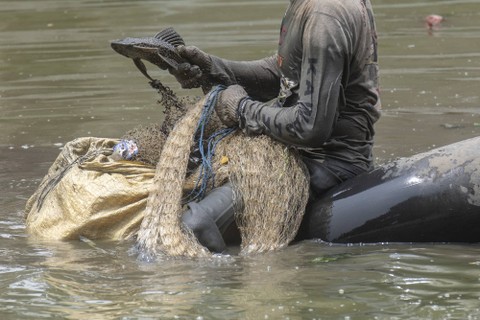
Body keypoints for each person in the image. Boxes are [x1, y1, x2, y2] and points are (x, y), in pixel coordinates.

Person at [172, 0, 381, 252]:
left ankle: (237, 285)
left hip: (325, 164)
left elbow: (310, 127)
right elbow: (286, 74)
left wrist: (242, 109)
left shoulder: (325, 13)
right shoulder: (307, 6)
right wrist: (214, 68)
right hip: (297, 153)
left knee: (192, 227)